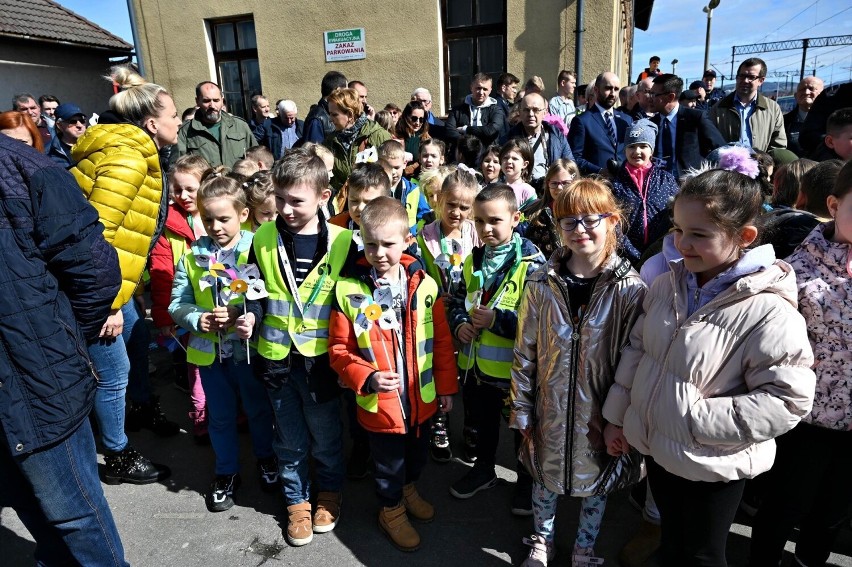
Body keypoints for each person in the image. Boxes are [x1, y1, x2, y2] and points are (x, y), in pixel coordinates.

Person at [602, 168, 816, 565]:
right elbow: (638, 351)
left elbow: (789, 398)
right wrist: (618, 417)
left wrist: (696, 420)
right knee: (673, 541)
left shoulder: (768, 310)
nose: (683, 243)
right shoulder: (667, 284)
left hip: (714, 464)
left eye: (700, 234)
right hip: (659, 449)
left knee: (703, 556)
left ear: (745, 237)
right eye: (679, 229)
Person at [0, 132, 128, 567]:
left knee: (75, 518)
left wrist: (60, 344)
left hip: (39, 383)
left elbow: (93, 267)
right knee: (33, 514)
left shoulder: (22, 169)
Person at [512, 178, 646, 566]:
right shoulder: (541, 282)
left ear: (613, 221)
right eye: (568, 222)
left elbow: (635, 359)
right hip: (549, 406)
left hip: (600, 412)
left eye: (590, 219)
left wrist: (620, 419)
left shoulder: (629, 289)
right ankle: (542, 541)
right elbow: (525, 352)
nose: (580, 230)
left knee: (597, 485)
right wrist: (521, 408)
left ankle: (584, 549)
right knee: (544, 477)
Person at [70, 64, 181, 484]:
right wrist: (109, 302)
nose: (177, 120)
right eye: (172, 114)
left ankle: (140, 406)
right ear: (152, 123)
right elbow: (95, 238)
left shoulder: (139, 150)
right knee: (112, 370)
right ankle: (116, 456)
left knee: (137, 337)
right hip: (95, 288)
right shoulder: (128, 158)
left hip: (116, 282)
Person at [330, 197, 458, 552]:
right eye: (370, 243)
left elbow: (442, 343)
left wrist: (446, 386)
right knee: (387, 464)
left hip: (420, 399)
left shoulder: (425, 286)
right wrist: (367, 377)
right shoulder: (349, 290)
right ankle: (390, 510)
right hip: (380, 404)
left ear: (406, 241)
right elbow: (340, 350)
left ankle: (407, 488)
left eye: (388, 243)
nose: (379, 252)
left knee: (416, 456)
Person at [244, 150, 355, 547]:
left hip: (321, 361)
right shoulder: (263, 235)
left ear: (324, 196)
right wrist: (251, 315)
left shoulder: (343, 241)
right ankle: (297, 502)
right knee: (288, 439)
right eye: (279, 199)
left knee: (325, 435)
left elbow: (354, 298)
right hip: (275, 358)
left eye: (296, 201)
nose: (285, 209)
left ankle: (328, 494)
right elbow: (253, 289)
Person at [749, 160, 852, 567]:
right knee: (782, 506)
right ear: (833, 204)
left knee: (834, 512)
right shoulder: (797, 270)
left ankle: (810, 560)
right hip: (804, 418)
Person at [169, 172, 277, 513]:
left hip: (248, 351)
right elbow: (177, 301)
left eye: (224, 219)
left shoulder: (257, 248)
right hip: (210, 353)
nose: (216, 226)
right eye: (208, 219)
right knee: (219, 415)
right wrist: (196, 318)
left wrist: (251, 317)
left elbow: (271, 296)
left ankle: (266, 458)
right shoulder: (191, 256)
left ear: (243, 215)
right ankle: (226, 471)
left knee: (259, 409)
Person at [447, 185, 545, 515]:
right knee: (482, 424)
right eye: (479, 222)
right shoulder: (473, 259)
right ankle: (483, 471)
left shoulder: (532, 264)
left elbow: (540, 322)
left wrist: (497, 321)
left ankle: (526, 484)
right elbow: (458, 300)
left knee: (521, 433)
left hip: (514, 375)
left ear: (516, 219)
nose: (486, 229)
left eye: (494, 221)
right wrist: (460, 323)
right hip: (476, 369)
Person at [328, 163, 392, 478]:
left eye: (370, 202)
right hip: (348, 323)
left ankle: (386, 450)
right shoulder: (333, 230)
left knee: (383, 393)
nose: (361, 209)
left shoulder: (392, 232)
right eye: (355, 201)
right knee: (353, 391)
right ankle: (360, 447)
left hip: (383, 329)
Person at [416, 168, 481, 463]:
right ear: (439, 199)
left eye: (464, 207)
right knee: (440, 371)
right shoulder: (423, 235)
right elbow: (415, 273)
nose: (456, 212)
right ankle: (439, 423)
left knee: (468, 375)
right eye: (451, 204)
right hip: (435, 318)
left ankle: (471, 426)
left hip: (467, 319)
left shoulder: (477, 235)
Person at [149, 155, 211, 442]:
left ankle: (231, 412)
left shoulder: (220, 213)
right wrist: (164, 317)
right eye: (177, 189)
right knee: (196, 366)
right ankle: (201, 418)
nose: (184, 196)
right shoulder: (169, 224)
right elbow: (162, 273)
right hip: (188, 309)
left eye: (190, 188)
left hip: (224, 306)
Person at [610, 119, 679, 267]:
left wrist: (657, 249)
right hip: (626, 257)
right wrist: (632, 253)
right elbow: (612, 222)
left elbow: (675, 215)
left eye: (643, 146)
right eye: (632, 147)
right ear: (625, 150)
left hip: (661, 254)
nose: (637, 152)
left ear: (651, 150)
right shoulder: (615, 183)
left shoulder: (666, 179)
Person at [706, 58, 787, 153]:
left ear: (761, 80)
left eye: (751, 77)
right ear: (737, 77)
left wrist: (766, 163)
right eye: (742, 76)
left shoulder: (772, 109)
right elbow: (709, 141)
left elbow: (778, 146)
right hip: (726, 166)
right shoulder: (719, 108)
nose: (745, 80)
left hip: (760, 166)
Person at [324, 87, 391, 192]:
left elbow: (390, 175)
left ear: (350, 114)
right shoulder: (330, 142)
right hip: (343, 205)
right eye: (330, 114)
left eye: (334, 114)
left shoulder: (379, 136)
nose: (330, 119)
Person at [176, 81, 258, 167]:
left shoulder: (240, 126)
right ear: (197, 101)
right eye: (206, 101)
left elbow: (256, 158)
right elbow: (180, 167)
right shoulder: (186, 131)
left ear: (222, 101)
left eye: (216, 100)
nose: (212, 105)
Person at [568, 72, 633, 175]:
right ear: (596, 90)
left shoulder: (626, 120)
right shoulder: (582, 121)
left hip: (623, 184)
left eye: (616, 89)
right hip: (596, 185)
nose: (612, 93)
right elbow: (574, 157)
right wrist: (599, 171)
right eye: (608, 88)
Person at [507, 92, 574, 188]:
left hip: (549, 191)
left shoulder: (556, 136)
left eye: (536, 110)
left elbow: (570, 165)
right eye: (526, 110)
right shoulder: (509, 138)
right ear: (520, 112)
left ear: (545, 112)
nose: (531, 114)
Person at [518, 159, 580, 260]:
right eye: (554, 183)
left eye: (565, 183)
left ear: (575, 183)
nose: (559, 187)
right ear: (547, 184)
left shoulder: (583, 212)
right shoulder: (534, 212)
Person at [377, 140, 430, 232]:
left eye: (396, 167)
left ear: (404, 164)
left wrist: (416, 232)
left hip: (408, 241)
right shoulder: (374, 190)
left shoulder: (414, 190)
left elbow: (425, 216)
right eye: (388, 167)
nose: (393, 172)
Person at [446, 73, 506, 147]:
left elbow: (491, 130)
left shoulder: (496, 110)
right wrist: (467, 144)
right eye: (478, 88)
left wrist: (466, 129)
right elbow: (449, 130)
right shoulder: (457, 110)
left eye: (485, 89)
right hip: (462, 153)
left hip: (487, 154)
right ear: (471, 87)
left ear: (490, 90)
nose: (481, 92)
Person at [304, 71, 348, 144]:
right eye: (346, 90)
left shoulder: (333, 112)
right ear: (338, 90)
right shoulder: (317, 119)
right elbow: (314, 151)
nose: (348, 94)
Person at [46, 102, 88, 168]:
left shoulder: (95, 144)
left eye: (82, 121)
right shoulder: (49, 152)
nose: (80, 125)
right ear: (59, 125)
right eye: (72, 121)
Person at [499, 138, 537, 209]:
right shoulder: (495, 187)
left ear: (524, 164)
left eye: (514, 159)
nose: (509, 161)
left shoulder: (527, 191)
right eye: (505, 158)